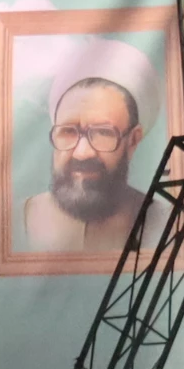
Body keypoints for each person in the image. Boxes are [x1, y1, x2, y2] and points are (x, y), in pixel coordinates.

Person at [22, 76, 155, 254]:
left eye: (103, 132)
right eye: (68, 131)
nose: (82, 153)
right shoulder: (15, 220)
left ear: (133, 141)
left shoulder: (167, 222)